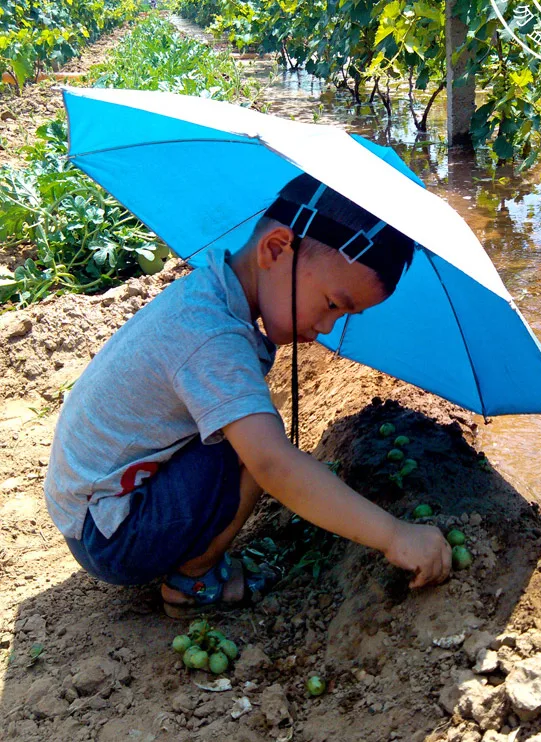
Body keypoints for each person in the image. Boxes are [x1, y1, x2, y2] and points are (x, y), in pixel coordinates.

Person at [44, 173, 452, 617]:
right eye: (333, 304)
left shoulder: (208, 294)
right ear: (275, 249)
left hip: (90, 508)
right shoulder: (213, 339)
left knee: (251, 423)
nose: (327, 326)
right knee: (257, 446)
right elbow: (273, 464)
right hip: (111, 537)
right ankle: (194, 581)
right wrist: (394, 534)